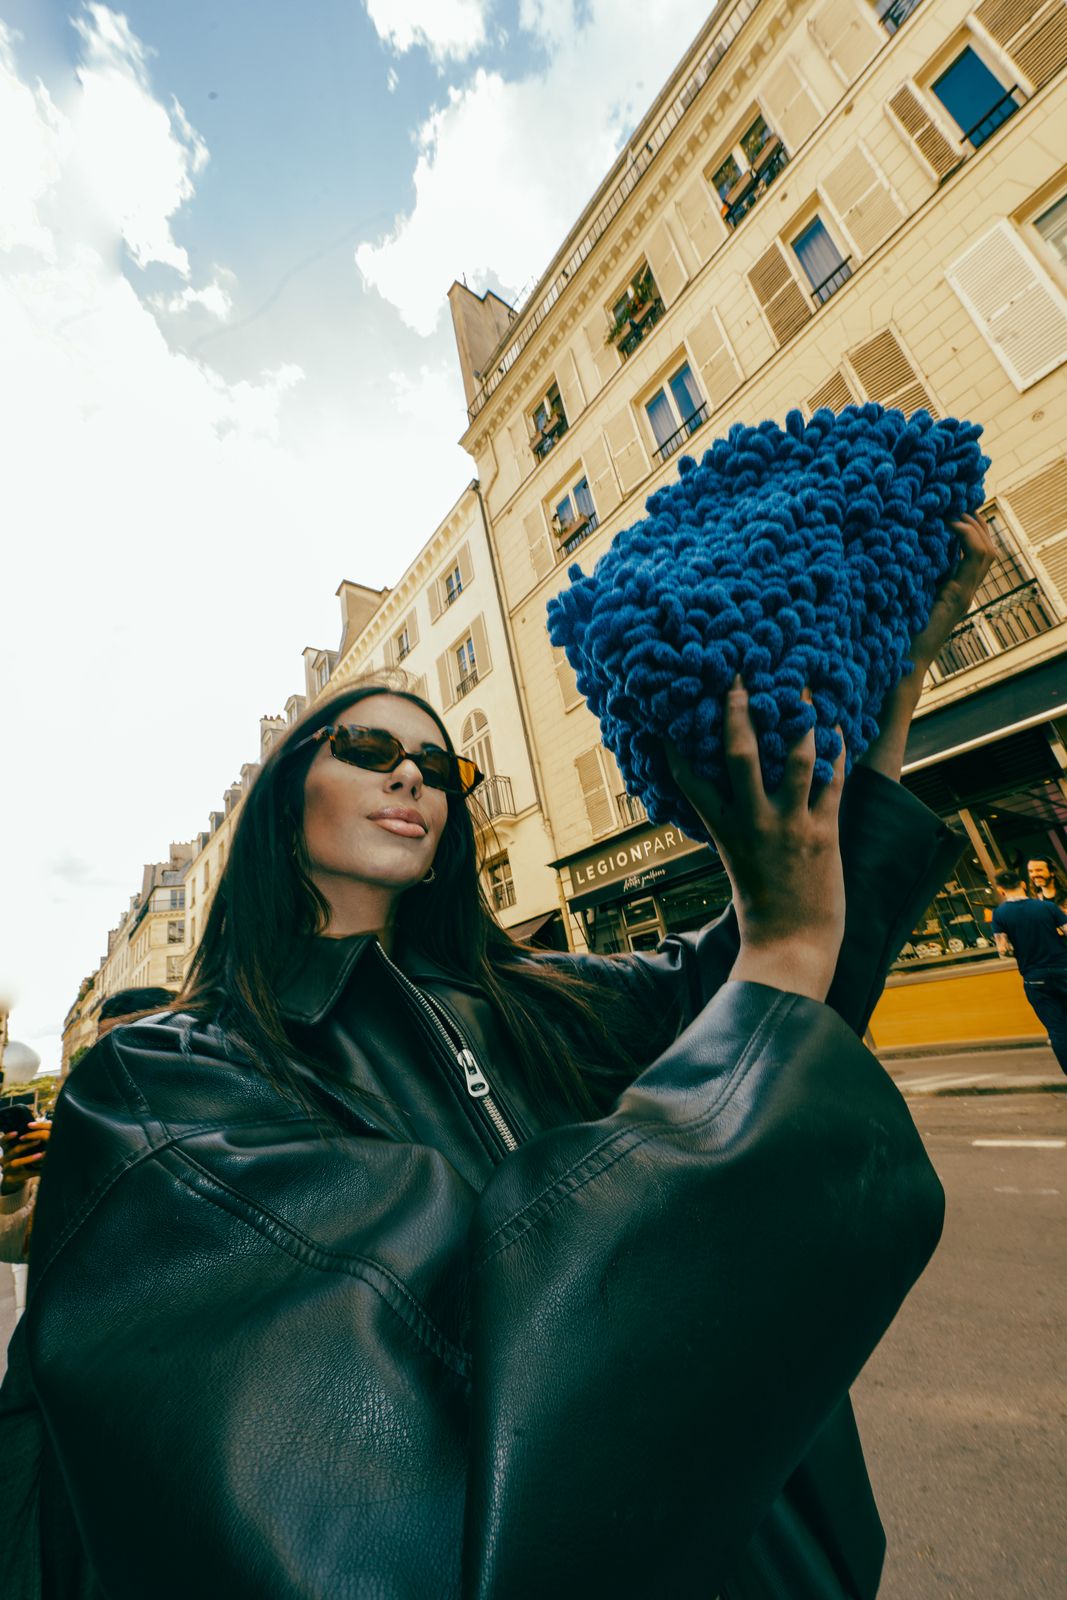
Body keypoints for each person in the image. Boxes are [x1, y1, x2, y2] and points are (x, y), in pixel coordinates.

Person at [0, 519, 992, 1599]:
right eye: (369, 751)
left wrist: (890, 678)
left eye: (438, 765)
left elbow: (779, 986)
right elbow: (384, 1473)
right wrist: (782, 953)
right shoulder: (165, 1079)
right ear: (285, 797)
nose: (412, 779)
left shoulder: (546, 996)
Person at [993, 867, 1067, 1074]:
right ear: (1023, 884)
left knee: (1058, 1029)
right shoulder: (1046, 907)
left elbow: (1003, 950)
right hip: (1063, 968)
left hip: (1035, 977)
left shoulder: (1000, 915)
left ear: (1000, 890)